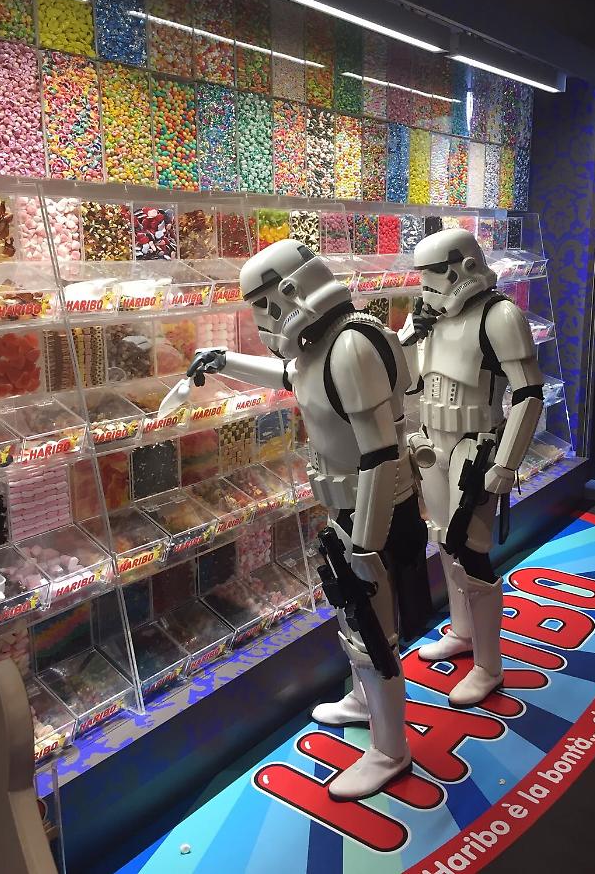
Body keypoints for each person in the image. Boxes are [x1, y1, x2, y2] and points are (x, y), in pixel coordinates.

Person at [166, 239, 430, 800]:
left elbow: (381, 454)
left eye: (264, 307)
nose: (263, 320)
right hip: (349, 506)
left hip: (373, 510)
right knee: (354, 619)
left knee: (373, 633)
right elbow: (290, 376)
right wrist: (224, 360)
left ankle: (390, 750)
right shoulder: (324, 345)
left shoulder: (349, 346)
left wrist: (365, 542)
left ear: (290, 292)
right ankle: (362, 701)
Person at [400, 228, 544, 705]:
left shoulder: (500, 315)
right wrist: (410, 334)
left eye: (433, 276)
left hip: (474, 449)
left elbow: (528, 394)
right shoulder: (429, 317)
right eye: (422, 278)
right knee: (445, 541)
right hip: (432, 443)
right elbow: (406, 380)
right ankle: (463, 632)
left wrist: (505, 464)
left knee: (472, 550)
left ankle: (489, 664)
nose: (426, 287)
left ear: (462, 268)